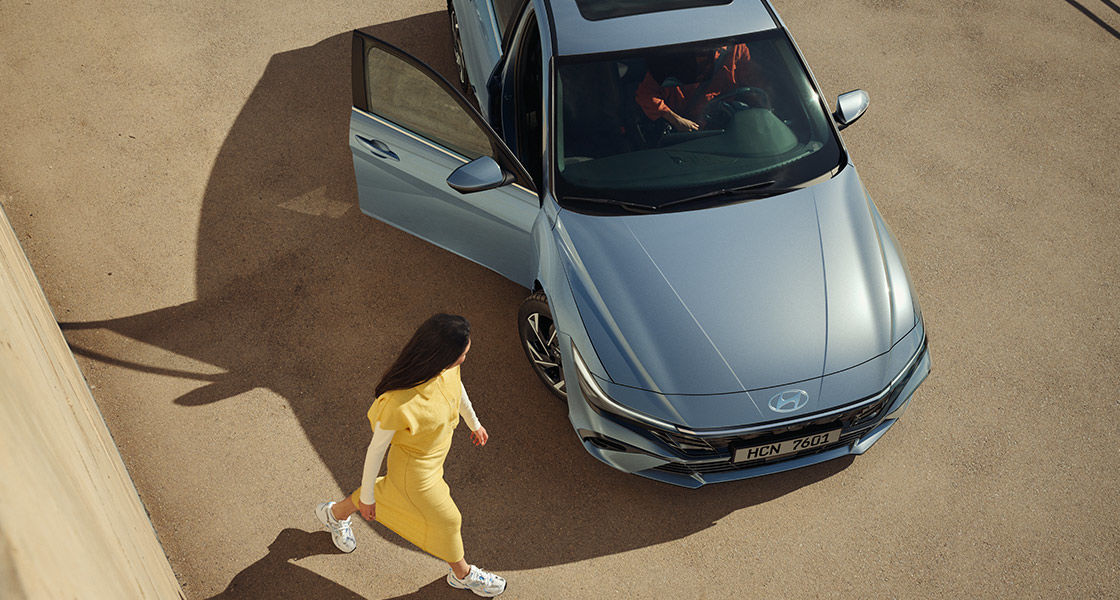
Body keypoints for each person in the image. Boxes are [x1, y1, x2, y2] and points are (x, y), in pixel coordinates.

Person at [315, 314, 506, 597]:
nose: (464, 359)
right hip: (415, 474)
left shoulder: (446, 368)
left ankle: (333, 514)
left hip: (434, 461)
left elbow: (457, 389)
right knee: (449, 520)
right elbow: (375, 451)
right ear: (443, 355)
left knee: (386, 494)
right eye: (463, 354)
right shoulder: (398, 401)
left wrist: (474, 423)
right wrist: (367, 497)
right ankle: (462, 574)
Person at [635, 43, 758, 133]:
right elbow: (645, 95)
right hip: (687, 133)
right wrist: (676, 120)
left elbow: (752, 82)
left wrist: (760, 103)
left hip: (726, 127)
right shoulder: (673, 55)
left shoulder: (736, 48)